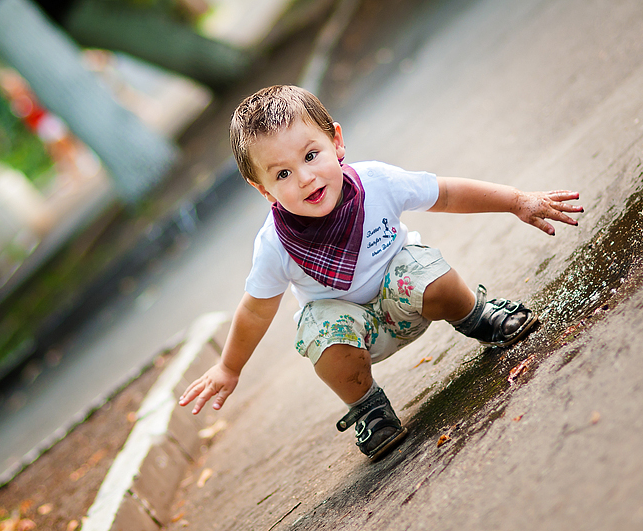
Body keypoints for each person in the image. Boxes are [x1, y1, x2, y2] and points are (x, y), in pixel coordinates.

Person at [179, 85, 583, 460]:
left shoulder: (376, 182)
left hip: (407, 296)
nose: (305, 178)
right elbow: (255, 310)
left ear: (336, 142)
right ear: (263, 189)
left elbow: (446, 194)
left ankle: (475, 315)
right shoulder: (275, 245)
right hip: (351, 330)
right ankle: (368, 406)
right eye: (282, 174)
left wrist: (516, 201)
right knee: (318, 334)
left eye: (310, 155)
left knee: (424, 270)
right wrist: (229, 367)